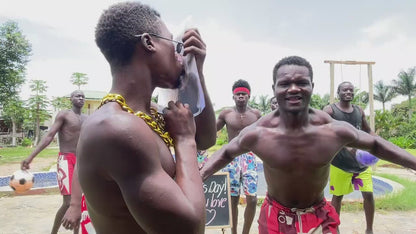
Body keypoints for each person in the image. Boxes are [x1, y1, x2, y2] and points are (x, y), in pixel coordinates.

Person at [200, 55, 416, 234]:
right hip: (276, 218)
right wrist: (198, 177)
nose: (293, 88)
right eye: (285, 83)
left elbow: (375, 144)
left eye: (301, 83)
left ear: (311, 86)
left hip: (320, 216)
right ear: (274, 88)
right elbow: (227, 152)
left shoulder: (332, 130)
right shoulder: (259, 133)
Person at [71, 2, 216, 233]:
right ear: (149, 43)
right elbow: (189, 229)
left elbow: (206, 139)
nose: (181, 55)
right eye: (176, 45)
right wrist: (184, 140)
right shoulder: (115, 128)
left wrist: (196, 69)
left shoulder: (152, 114)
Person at [21, 90, 87, 234]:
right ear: (71, 99)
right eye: (77, 96)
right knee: (68, 203)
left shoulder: (87, 118)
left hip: (81, 162)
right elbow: (49, 135)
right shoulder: (64, 115)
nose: (81, 98)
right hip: (66, 160)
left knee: (80, 203)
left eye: (83, 96)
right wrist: (31, 156)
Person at [323, 81, 376, 234]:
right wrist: (346, 146)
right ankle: (335, 229)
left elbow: (367, 130)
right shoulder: (330, 111)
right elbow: (325, 131)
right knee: (337, 196)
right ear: (338, 93)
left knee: (368, 194)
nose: (348, 92)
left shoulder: (359, 110)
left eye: (351, 90)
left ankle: (369, 229)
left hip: (361, 163)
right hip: (340, 163)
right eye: (344, 90)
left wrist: (378, 142)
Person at [216, 79, 261, 234]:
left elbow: (265, 135)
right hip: (232, 158)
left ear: (249, 96)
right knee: (233, 199)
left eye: (244, 94)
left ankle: (245, 232)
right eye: (238, 94)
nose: (241, 96)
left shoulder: (256, 114)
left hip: (249, 158)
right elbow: (211, 132)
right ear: (233, 97)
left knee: (252, 199)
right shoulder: (226, 114)